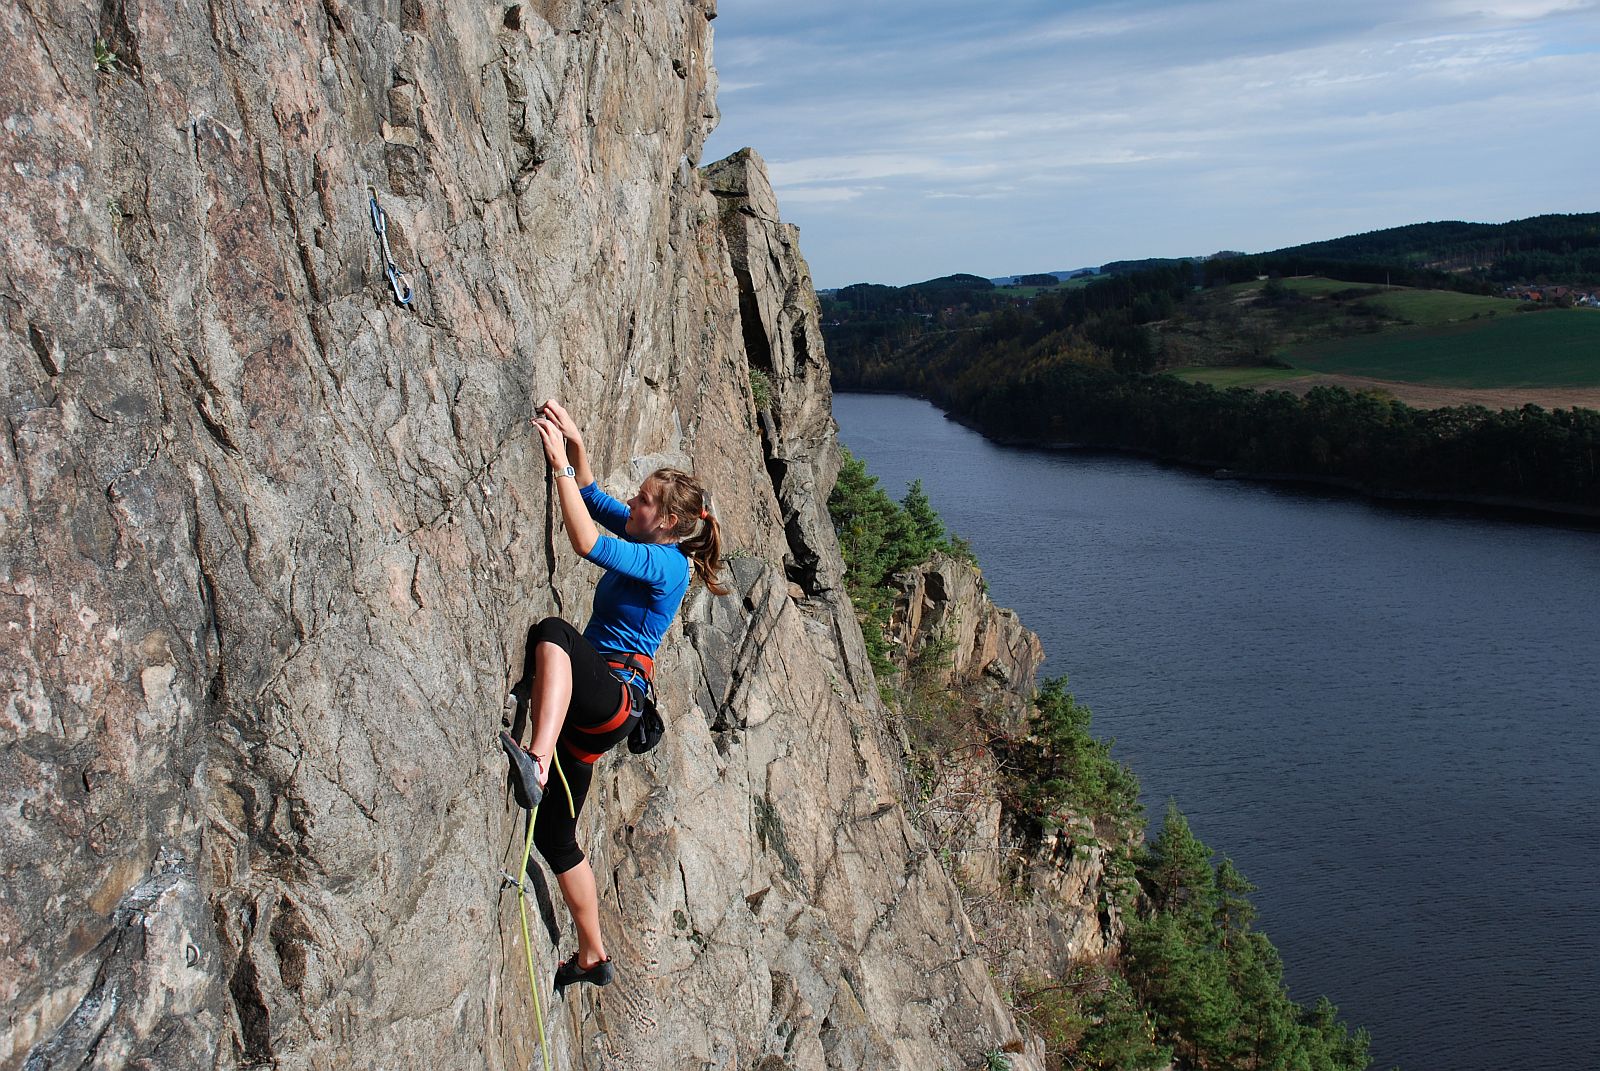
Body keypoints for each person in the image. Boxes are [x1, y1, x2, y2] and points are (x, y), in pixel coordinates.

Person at [498, 398, 728, 993]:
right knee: (554, 837)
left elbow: (584, 540)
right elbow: (598, 501)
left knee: (553, 633)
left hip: (613, 696)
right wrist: (575, 443)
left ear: (670, 524)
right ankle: (592, 956)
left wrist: (557, 470)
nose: (635, 503)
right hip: (596, 712)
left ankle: (537, 760)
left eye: (646, 501)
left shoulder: (666, 565)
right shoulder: (648, 536)